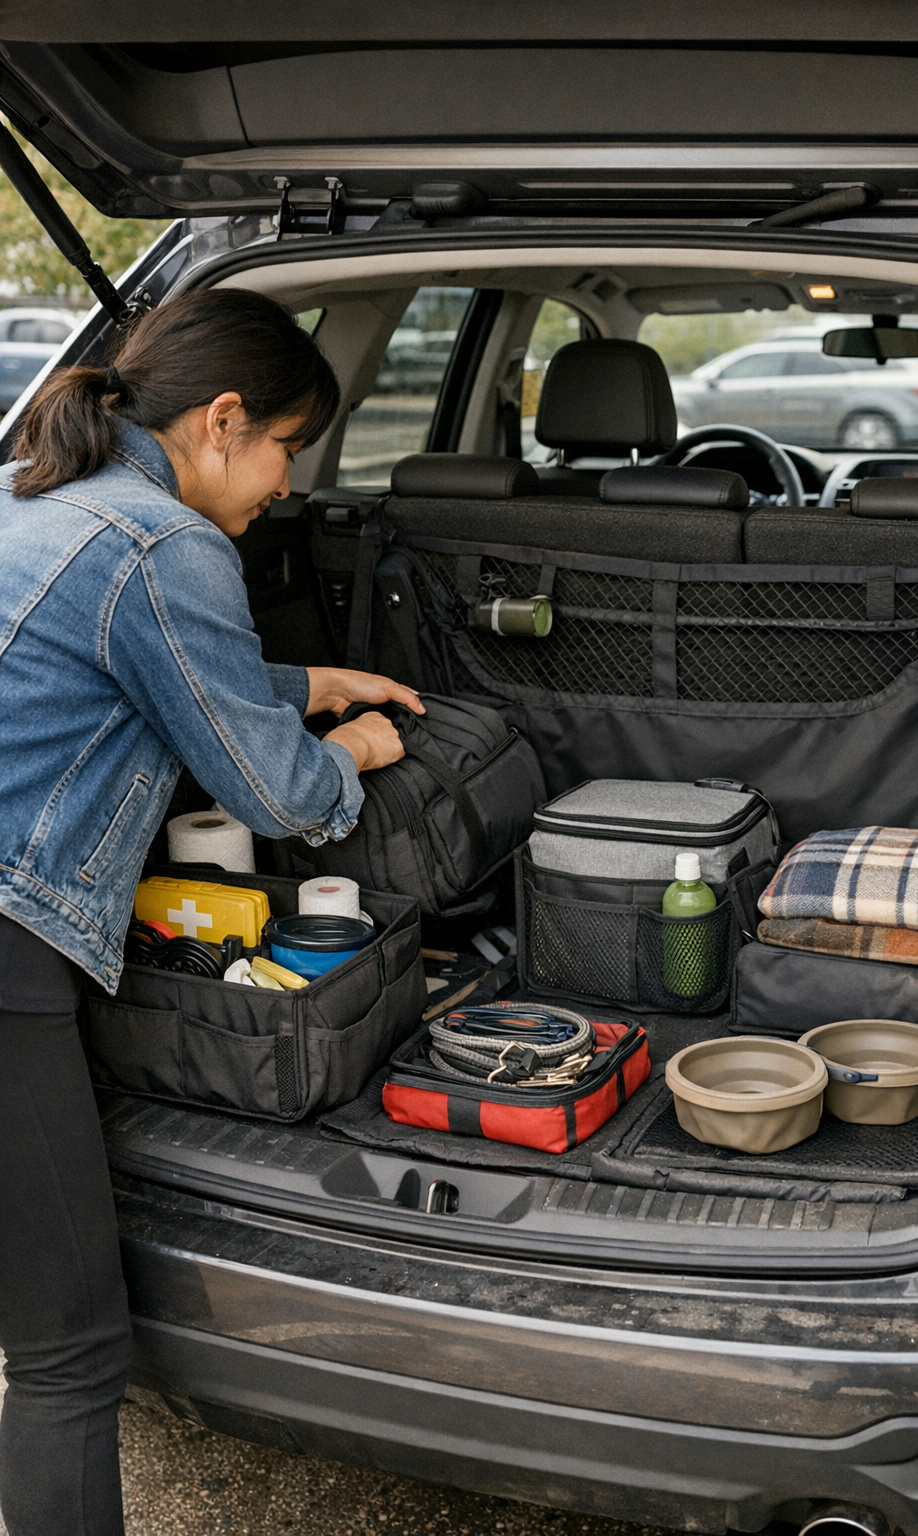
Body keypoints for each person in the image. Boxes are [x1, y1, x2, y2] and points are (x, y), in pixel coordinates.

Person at [0, 287, 422, 1536]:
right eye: (289, 447)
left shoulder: (38, 495)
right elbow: (279, 797)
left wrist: (302, 678)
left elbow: (119, 657)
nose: (288, 487)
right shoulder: (166, 544)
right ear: (224, 418)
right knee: (68, 1351)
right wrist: (362, 748)